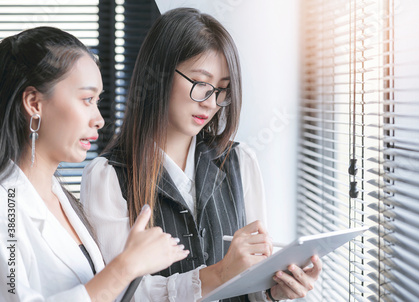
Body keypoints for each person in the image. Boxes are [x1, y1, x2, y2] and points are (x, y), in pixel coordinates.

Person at [81, 7, 322, 302]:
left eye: (222, 90)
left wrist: (273, 291)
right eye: (200, 84)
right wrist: (217, 274)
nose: (211, 103)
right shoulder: (109, 176)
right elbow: (118, 294)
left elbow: (254, 280)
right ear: (159, 73)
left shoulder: (240, 161)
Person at [0, 26, 189, 302]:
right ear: (33, 103)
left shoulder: (60, 199)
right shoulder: (6, 206)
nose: (99, 119)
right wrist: (124, 268)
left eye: (97, 101)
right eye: (87, 99)